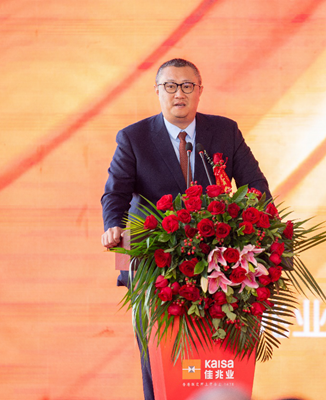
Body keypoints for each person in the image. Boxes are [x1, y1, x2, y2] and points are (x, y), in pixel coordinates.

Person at [100, 58, 271, 400]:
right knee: (158, 353)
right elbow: (115, 194)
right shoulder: (133, 137)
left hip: (220, 259)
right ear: (157, 91)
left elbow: (255, 187)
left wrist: (264, 228)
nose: (179, 93)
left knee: (214, 353)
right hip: (150, 258)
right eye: (170, 86)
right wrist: (112, 227)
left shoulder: (224, 131)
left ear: (199, 91)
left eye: (187, 86)